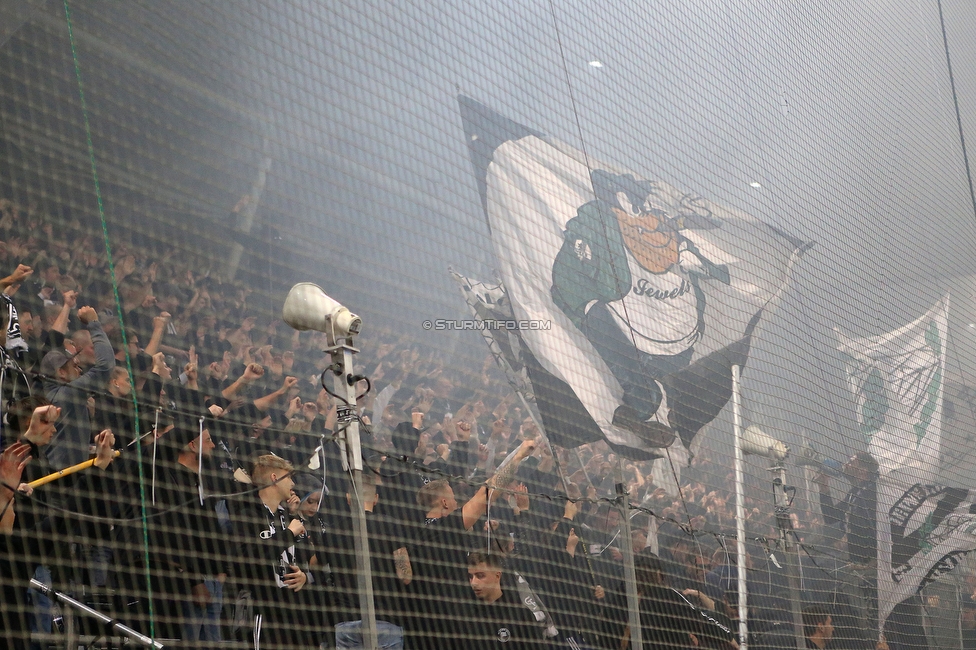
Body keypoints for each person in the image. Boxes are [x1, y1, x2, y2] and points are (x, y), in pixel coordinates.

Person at [231, 453, 320, 649]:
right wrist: (288, 534)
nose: (292, 484)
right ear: (274, 478)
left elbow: (305, 556)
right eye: (288, 477)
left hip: (294, 611)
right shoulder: (247, 514)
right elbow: (245, 560)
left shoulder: (286, 516)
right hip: (263, 610)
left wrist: (303, 576)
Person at [39, 304, 115, 469]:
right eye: (73, 366)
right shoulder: (65, 395)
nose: (79, 368)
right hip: (59, 480)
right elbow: (105, 366)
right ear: (61, 373)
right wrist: (94, 323)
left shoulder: (54, 396)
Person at [458, 552, 552, 649]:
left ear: (497, 576)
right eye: (470, 577)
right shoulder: (466, 617)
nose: (474, 583)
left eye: (480, 576)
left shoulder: (520, 615)